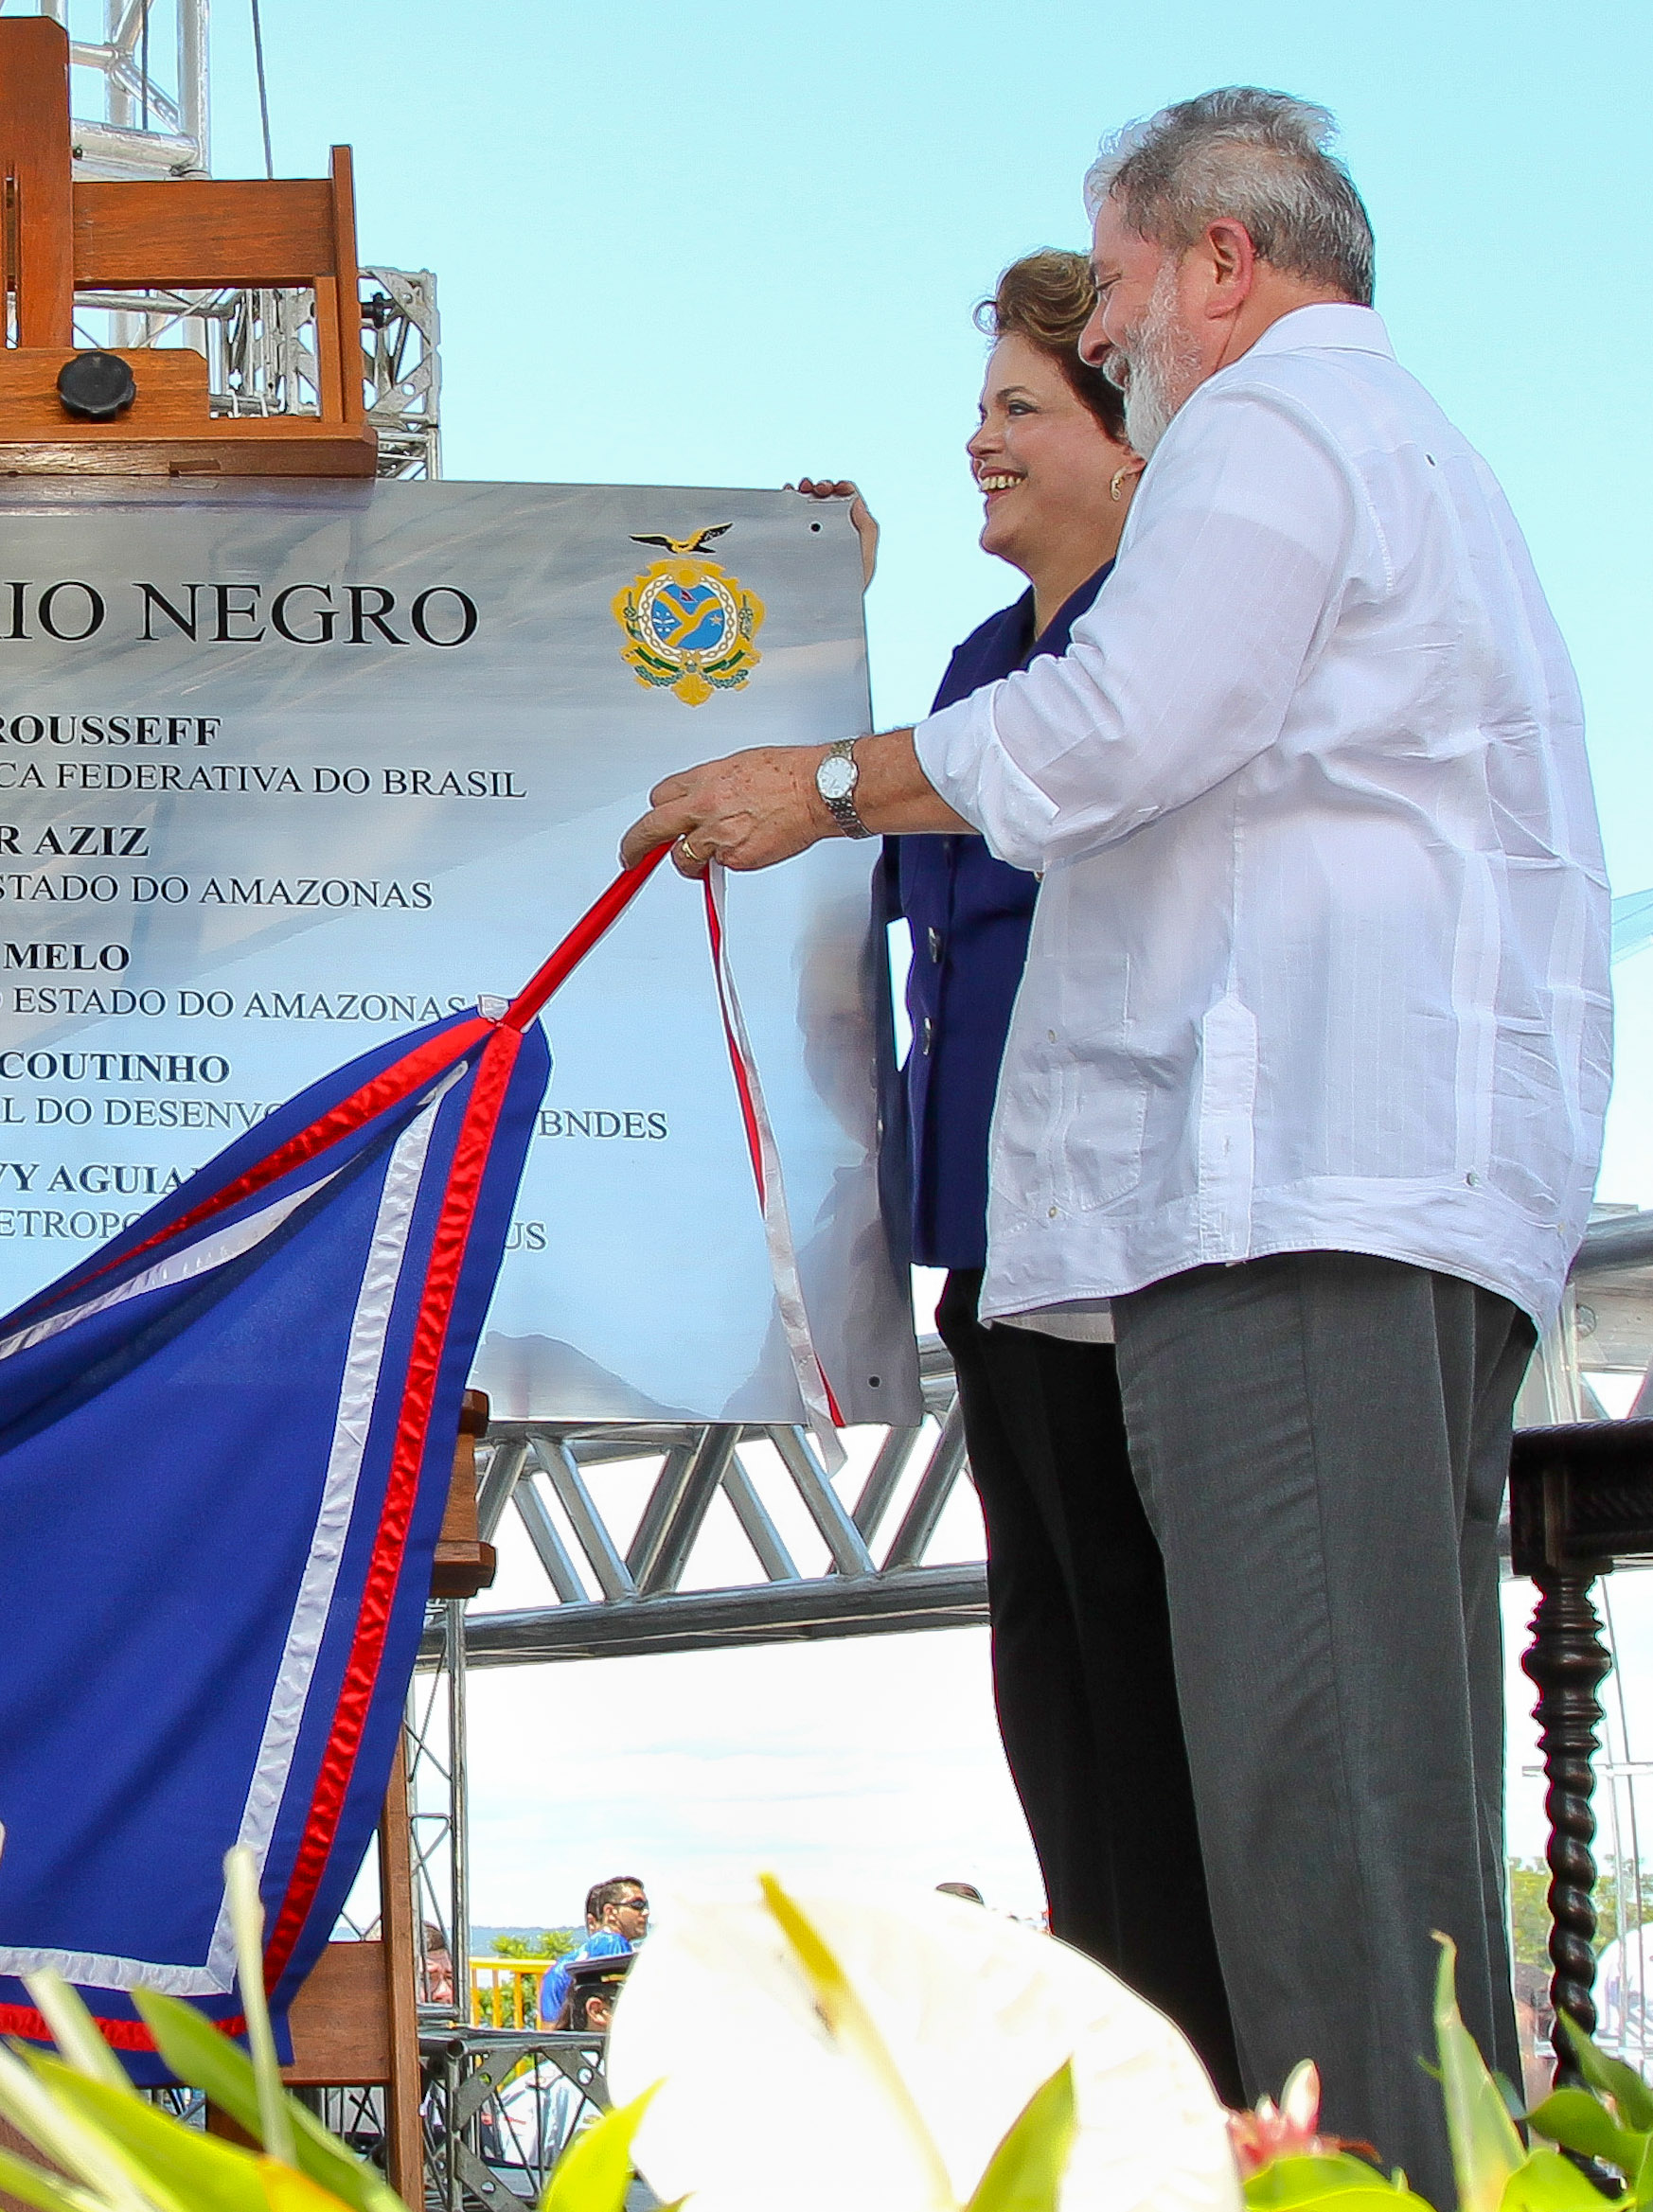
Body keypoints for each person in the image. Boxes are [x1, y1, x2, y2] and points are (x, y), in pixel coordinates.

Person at [623, 89, 1606, 2196]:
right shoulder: (1396, 446)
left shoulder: (1264, 430)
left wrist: (818, 776)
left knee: (1314, 1803)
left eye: (1124, 285)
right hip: (1361, 1193)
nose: (1118, 342)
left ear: (1220, 265)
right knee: (1358, 1801)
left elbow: (1116, 724)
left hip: (1286, 1216)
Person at [856, 249, 1240, 2099]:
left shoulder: (1154, 662)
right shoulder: (969, 671)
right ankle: (1120, 2048)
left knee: (1151, 1681)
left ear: (1124, 445)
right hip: (997, 1266)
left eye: (1020, 408)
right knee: (1050, 1677)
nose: (978, 443)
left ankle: (1206, 2074)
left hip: (1130, 1252)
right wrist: (799, 614)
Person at [539, 1875, 646, 2026]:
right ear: (611, 1912)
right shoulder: (614, 1944)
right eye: (637, 1904)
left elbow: (549, 2031)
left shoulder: (557, 1968)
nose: (645, 1912)